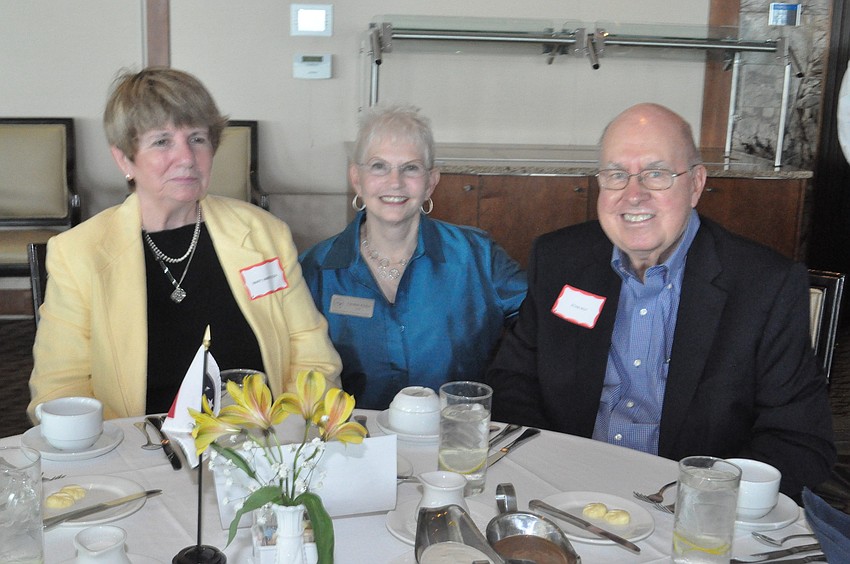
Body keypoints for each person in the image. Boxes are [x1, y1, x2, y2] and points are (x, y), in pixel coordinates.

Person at [486, 102, 835, 499]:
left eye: (656, 174)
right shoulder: (559, 260)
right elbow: (514, 381)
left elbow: (799, 439)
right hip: (566, 495)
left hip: (689, 512)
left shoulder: (763, 287)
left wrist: (699, 500)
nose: (633, 196)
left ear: (696, 184)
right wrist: (555, 469)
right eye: (617, 174)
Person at [28, 68, 341, 420]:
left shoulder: (264, 235)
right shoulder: (79, 254)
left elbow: (312, 358)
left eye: (197, 139)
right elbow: (60, 388)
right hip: (139, 453)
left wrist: (285, 438)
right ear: (124, 159)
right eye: (162, 141)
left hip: (260, 446)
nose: (187, 158)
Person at [299, 105, 526, 409]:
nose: (395, 182)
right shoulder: (314, 269)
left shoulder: (477, 256)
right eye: (379, 166)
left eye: (411, 168)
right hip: (354, 444)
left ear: (431, 181)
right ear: (357, 178)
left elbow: (542, 326)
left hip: (452, 442)